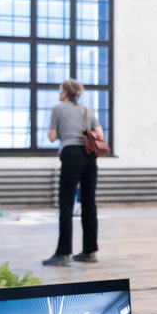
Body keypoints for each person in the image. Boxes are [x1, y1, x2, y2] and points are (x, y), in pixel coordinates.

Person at [44, 79, 103, 266]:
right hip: (90, 158)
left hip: (71, 156)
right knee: (89, 203)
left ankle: (63, 254)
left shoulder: (58, 109)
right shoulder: (88, 110)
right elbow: (99, 134)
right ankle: (89, 251)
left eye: (60, 90)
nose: (58, 93)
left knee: (67, 204)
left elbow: (52, 137)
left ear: (65, 93)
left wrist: (62, 131)